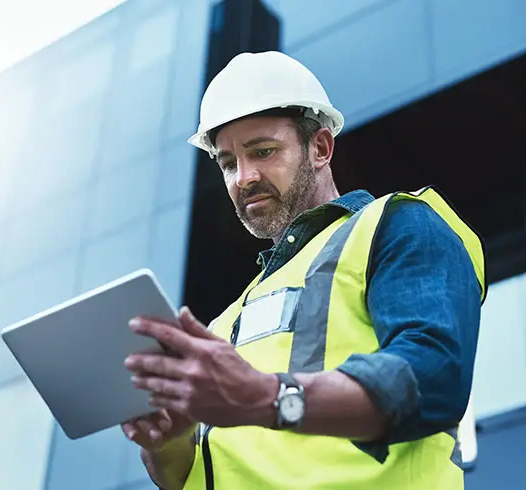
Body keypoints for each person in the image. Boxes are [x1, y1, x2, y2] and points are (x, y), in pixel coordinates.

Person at [120, 51, 486, 489]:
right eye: (228, 163)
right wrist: (168, 442)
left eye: (263, 151)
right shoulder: (223, 325)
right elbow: (187, 478)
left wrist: (268, 397)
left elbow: (433, 377)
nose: (243, 178)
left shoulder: (396, 225)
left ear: (320, 147)